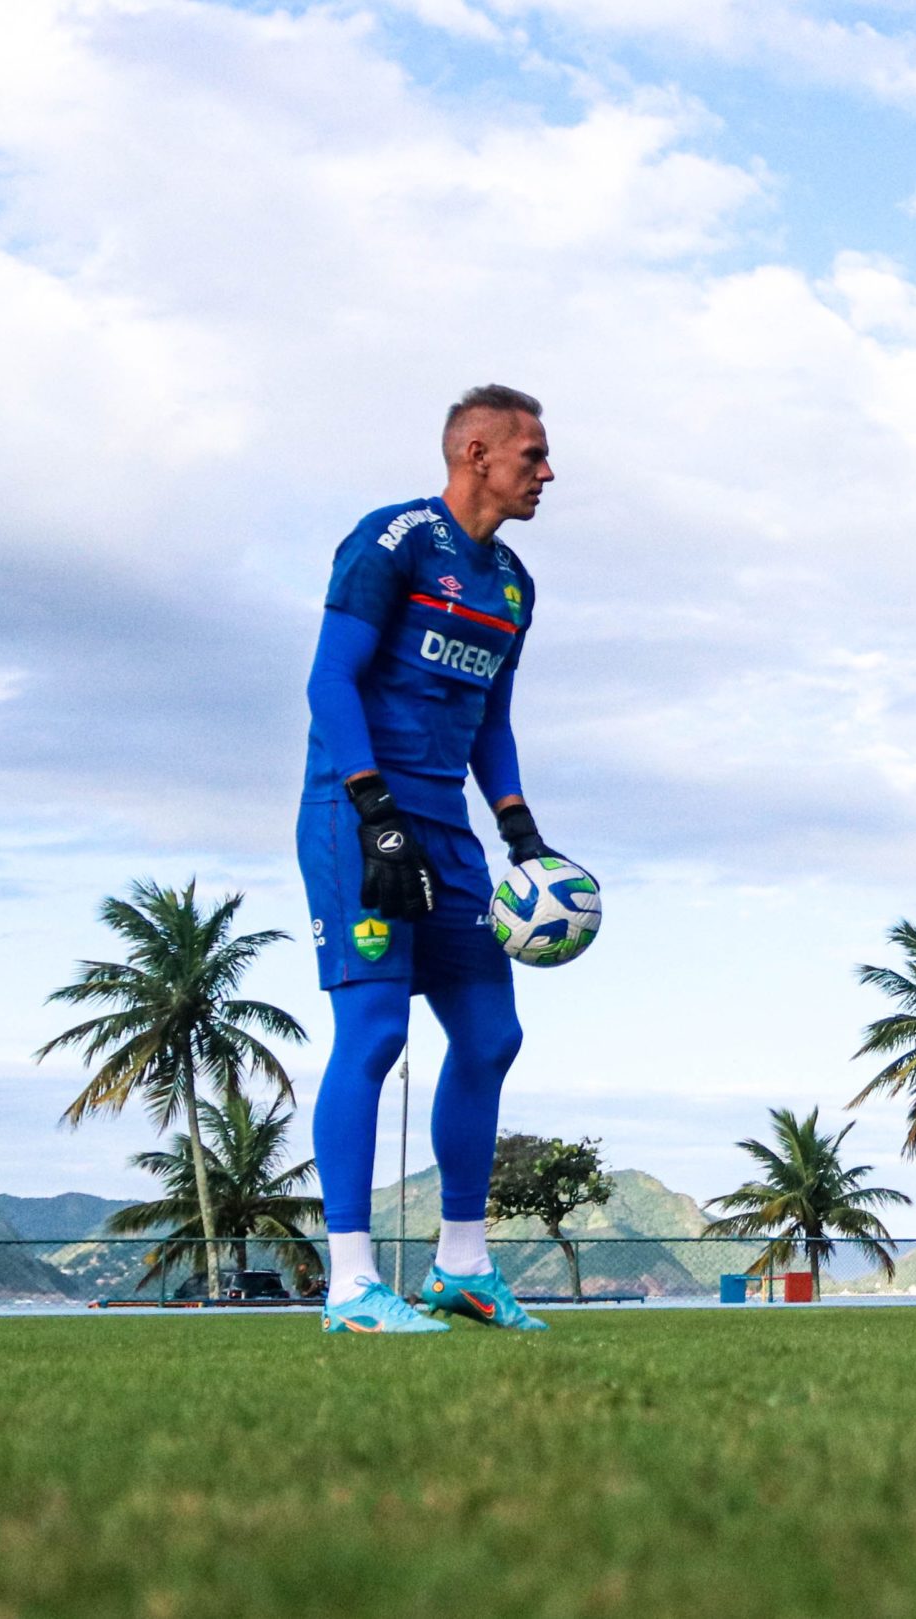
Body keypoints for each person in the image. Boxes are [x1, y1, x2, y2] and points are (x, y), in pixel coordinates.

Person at [300, 384, 572, 1334]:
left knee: (493, 1036)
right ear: (474, 451)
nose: (546, 470)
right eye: (531, 453)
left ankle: (461, 1266)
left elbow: (490, 720)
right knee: (373, 1036)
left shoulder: (512, 586)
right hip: (355, 812)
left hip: (449, 833)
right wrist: (373, 809)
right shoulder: (395, 540)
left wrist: (520, 830)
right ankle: (349, 1285)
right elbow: (328, 679)